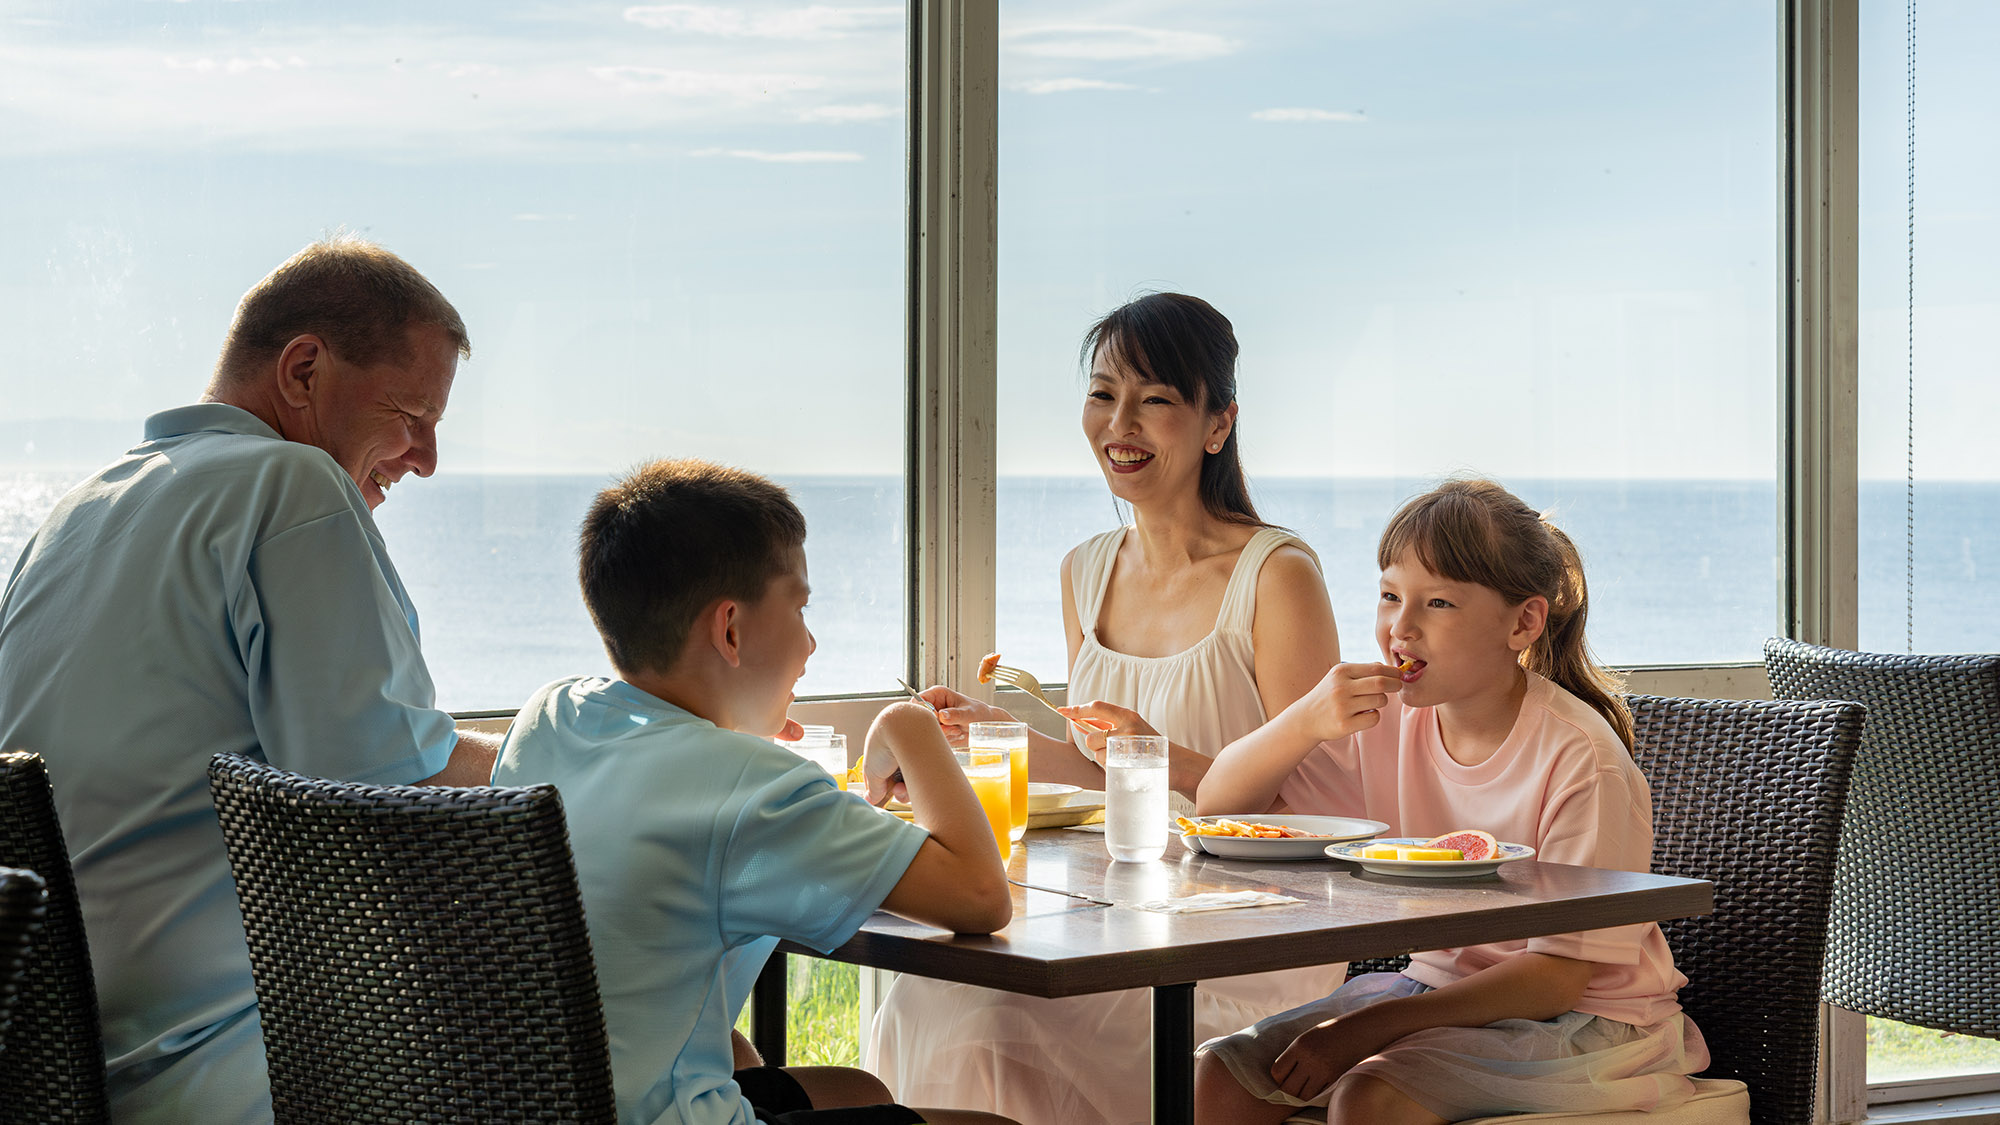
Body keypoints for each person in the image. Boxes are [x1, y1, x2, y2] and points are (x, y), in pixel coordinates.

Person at [0, 235, 501, 1123]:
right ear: (303, 368)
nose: (425, 458)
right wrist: (611, 748)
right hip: (225, 1062)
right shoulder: (290, 486)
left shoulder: (72, 516)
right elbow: (391, 790)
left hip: (54, 1065)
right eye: (411, 413)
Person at [865, 292, 1343, 1123]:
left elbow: (1326, 814)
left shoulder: (1275, 576)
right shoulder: (1085, 570)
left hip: (1252, 936)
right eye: (1102, 394)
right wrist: (990, 735)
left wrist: (1155, 754)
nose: (1120, 422)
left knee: (998, 1020)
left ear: (1217, 423)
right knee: (928, 997)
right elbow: (1101, 769)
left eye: (1155, 399)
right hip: (1120, 906)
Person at [491, 458, 1018, 1125]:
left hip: (547, 1103)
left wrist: (737, 730)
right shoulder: (747, 785)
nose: (810, 640)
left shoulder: (549, 712)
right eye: (799, 606)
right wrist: (908, 725)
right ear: (731, 629)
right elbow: (980, 895)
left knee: (860, 1089)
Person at [1192, 479, 1709, 1124]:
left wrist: (1372, 1027)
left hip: (1589, 1022)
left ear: (1523, 622)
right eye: (1388, 596)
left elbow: (1557, 976)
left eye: (1436, 602)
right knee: (1224, 1069)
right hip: (1436, 987)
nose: (1399, 628)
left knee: (1368, 1096)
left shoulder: (1583, 759)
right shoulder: (1385, 722)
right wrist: (1303, 721)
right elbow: (1222, 805)